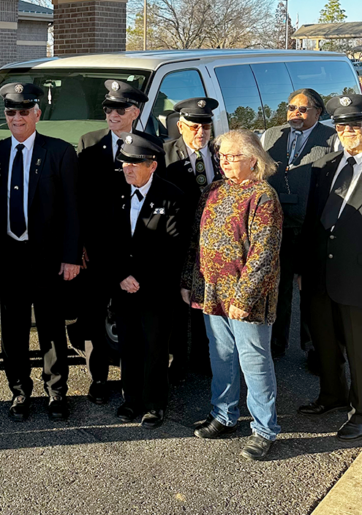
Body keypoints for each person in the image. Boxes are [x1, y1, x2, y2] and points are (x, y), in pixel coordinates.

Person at [0, 82, 80, 422]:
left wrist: (71, 256)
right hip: (9, 256)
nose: (16, 118)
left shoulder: (59, 152)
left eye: (23, 111)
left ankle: (56, 392)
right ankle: (19, 391)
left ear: (37, 113)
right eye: (11, 112)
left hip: (48, 258)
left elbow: (72, 210)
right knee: (13, 329)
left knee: (51, 328)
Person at [182, 129, 282, 461]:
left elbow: (264, 253)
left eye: (232, 156)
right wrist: (188, 280)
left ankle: (264, 429)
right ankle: (224, 414)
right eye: (221, 156)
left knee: (254, 361)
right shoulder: (213, 190)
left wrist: (244, 298)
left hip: (245, 299)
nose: (224, 162)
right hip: (212, 292)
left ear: (253, 159)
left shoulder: (263, 196)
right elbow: (196, 240)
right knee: (221, 356)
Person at [74, 79, 149, 406]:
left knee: (131, 318)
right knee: (93, 317)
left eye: (119, 109)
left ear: (135, 112)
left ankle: (134, 382)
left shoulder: (149, 145)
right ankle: (99, 379)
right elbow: (78, 198)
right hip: (97, 250)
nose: (112, 114)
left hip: (133, 250)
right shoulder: (89, 143)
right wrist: (78, 244)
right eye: (108, 108)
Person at [106, 130, 185, 430]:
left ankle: (154, 404)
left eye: (134, 163)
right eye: (124, 162)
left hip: (155, 289)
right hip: (123, 287)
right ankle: (131, 399)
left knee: (155, 347)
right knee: (128, 345)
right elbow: (105, 241)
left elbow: (173, 248)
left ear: (152, 165)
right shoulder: (114, 190)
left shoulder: (171, 196)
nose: (127, 168)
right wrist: (121, 276)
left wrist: (139, 277)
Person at [297, 94, 362, 441]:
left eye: (356, 125)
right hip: (320, 272)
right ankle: (332, 395)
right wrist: (302, 268)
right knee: (324, 340)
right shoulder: (325, 165)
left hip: (356, 275)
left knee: (358, 348)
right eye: (342, 126)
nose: (348, 132)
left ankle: (361, 412)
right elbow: (312, 220)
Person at [261, 88, 336, 363]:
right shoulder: (271, 135)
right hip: (277, 224)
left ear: (318, 112)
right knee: (278, 287)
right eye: (292, 107)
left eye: (303, 109)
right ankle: (276, 344)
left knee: (311, 289)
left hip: (310, 226)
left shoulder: (331, 138)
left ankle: (314, 348)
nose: (296, 113)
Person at [163, 97, 222, 382]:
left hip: (210, 244)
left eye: (206, 127)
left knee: (205, 301)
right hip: (176, 240)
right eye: (194, 127)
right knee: (176, 304)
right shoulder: (164, 154)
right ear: (180, 126)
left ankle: (204, 356)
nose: (201, 132)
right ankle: (177, 360)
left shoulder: (220, 155)